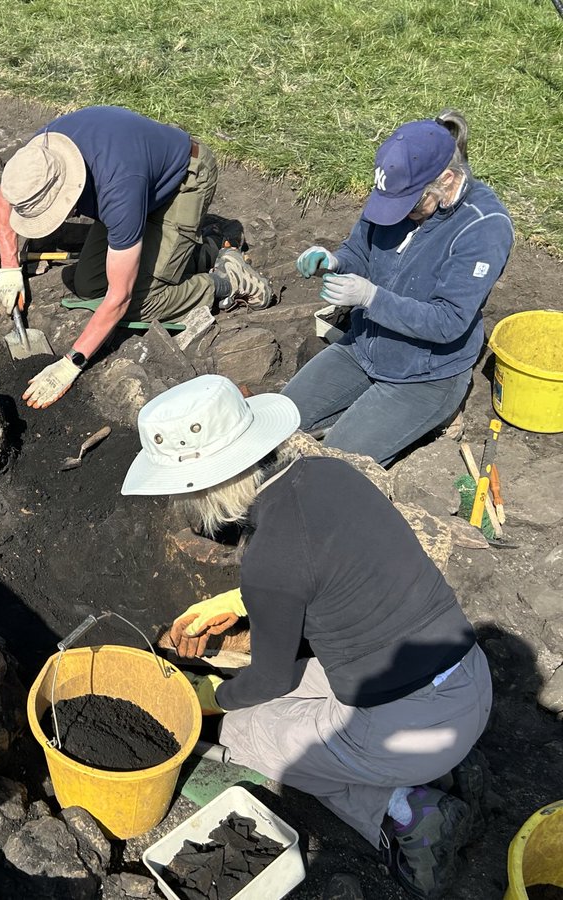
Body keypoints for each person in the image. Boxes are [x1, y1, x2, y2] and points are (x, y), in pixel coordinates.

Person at [122, 375, 492, 900]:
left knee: (248, 730)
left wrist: (206, 698)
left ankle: (407, 810)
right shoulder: (326, 474)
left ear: (200, 489)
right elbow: (335, 569)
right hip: (466, 676)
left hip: (417, 725)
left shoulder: (269, 556)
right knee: (302, 692)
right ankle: (437, 766)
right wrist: (236, 601)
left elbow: (269, 678)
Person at [0, 105, 274, 410]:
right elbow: (6, 197)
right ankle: (184, 249)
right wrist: (9, 267)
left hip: (183, 183)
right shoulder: (40, 157)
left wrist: (71, 363)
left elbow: (120, 297)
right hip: (139, 177)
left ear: (69, 190)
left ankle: (227, 278)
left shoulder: (118, 191)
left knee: (142, 303)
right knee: (88, 284)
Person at [283, 110, 514, 467]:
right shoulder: (398, 189)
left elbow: (448, 321)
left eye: (410, 205)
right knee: (279, 422)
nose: (400, 214)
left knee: (334, 466)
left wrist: (369, 297)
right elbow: (361, 248)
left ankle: (438, 416)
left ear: (447, 180)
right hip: (363, 348)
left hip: (425, 373)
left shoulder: (483, 228)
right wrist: (335, 261)